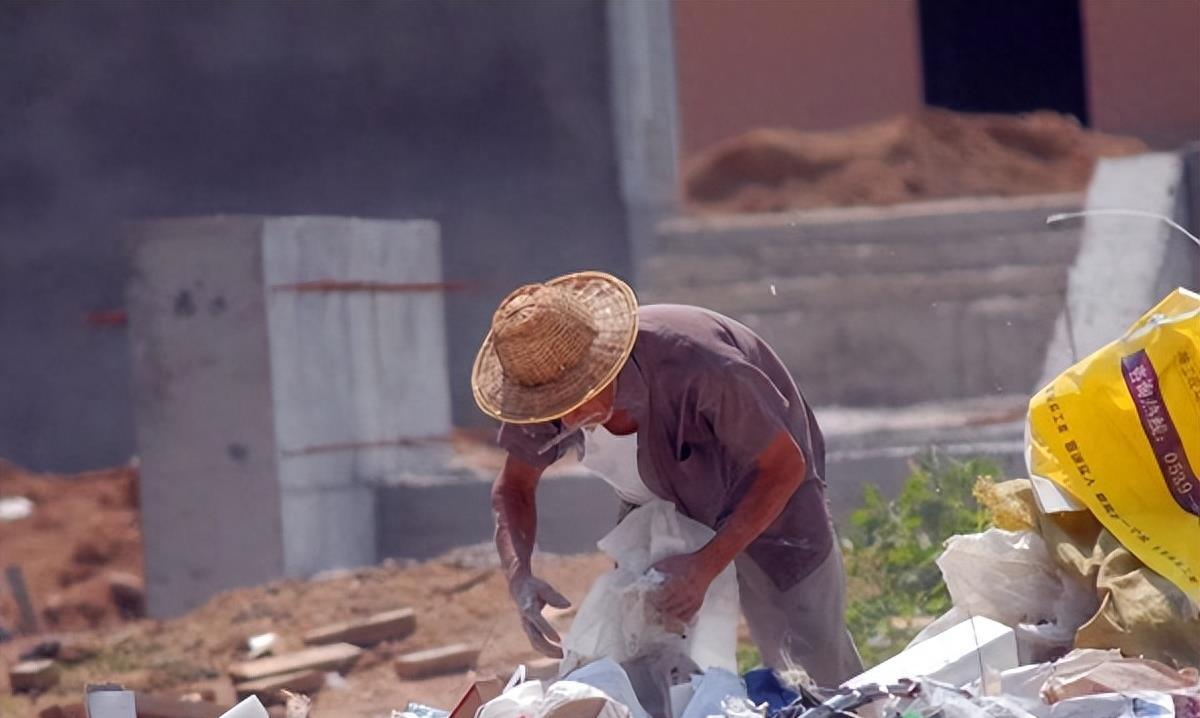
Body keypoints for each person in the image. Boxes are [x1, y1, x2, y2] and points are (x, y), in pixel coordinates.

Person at [472, 270, 863, 687]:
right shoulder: (542, 386)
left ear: (606, 364)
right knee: (650, 655)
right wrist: (521, 577)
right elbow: (513, 486)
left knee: (807, 656)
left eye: (576, 398)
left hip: (765, 495)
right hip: (654, 503)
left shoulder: (701, 365)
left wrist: (705, 565)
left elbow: (784, 466)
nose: (566, 420)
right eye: (554, 406)